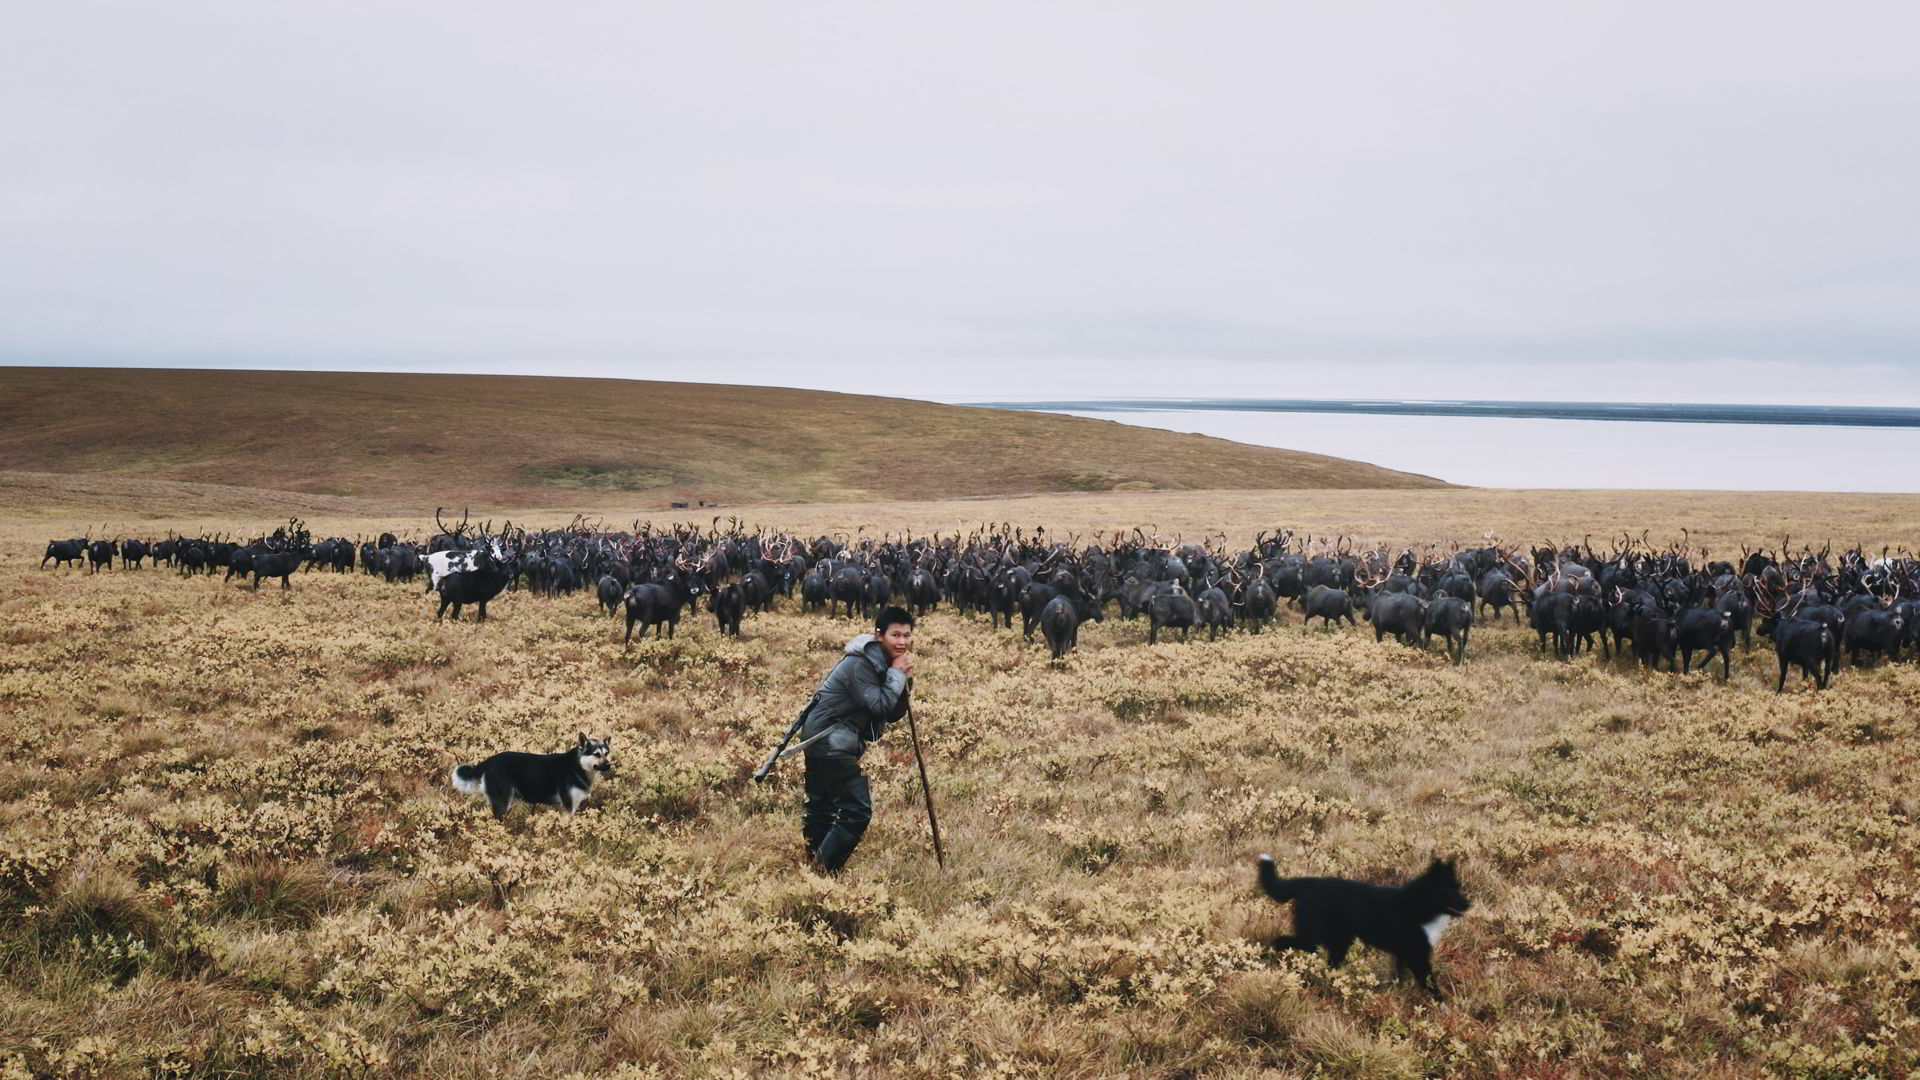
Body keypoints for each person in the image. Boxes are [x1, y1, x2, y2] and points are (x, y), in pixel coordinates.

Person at [800, 605, 914, 873]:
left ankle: (814, 863)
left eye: (907, 636)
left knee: (822, 807)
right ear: (879, 636)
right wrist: (896, 674)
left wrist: (904, 680)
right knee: (856, 811)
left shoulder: (882, 662)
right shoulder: (861, 663)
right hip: (829, 741)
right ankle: (822, 870)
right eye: (895, 635)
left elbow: (894, 712)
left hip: (826, 739)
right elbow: (879, 707)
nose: (902, 642)